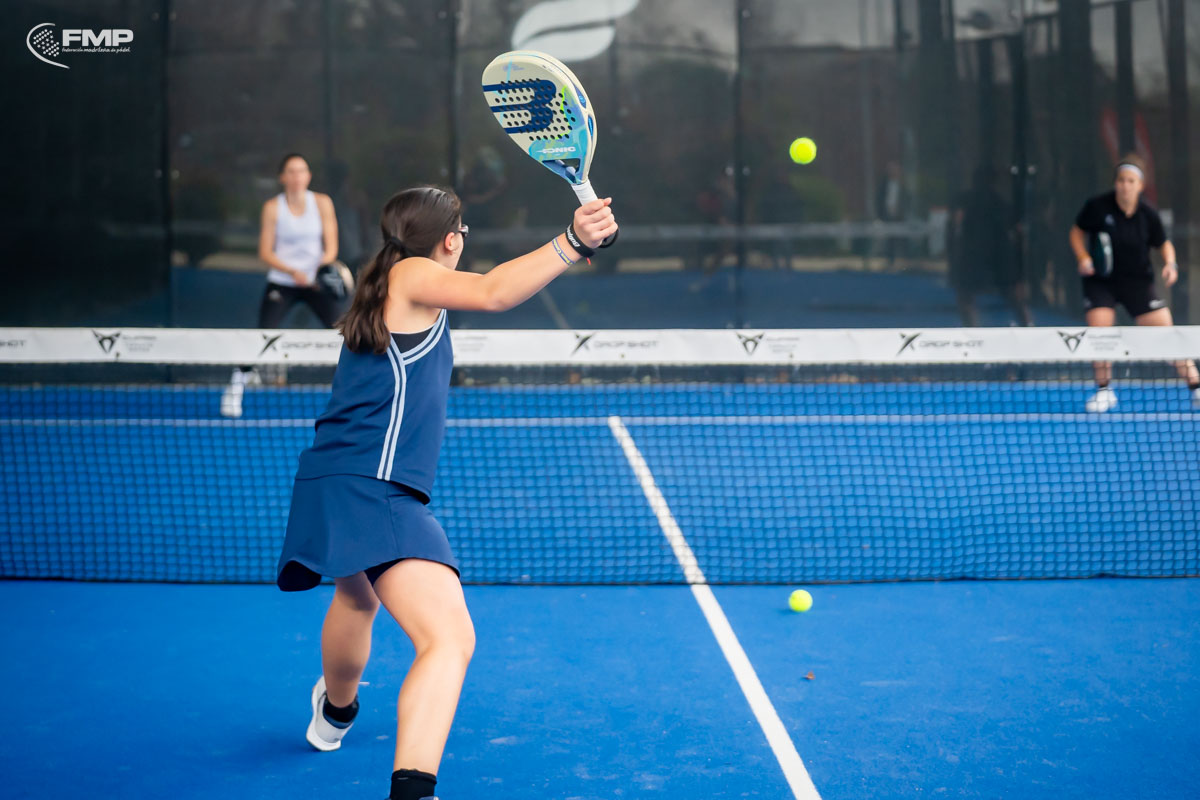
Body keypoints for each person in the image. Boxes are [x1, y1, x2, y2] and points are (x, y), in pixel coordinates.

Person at [275, 186, 618, 800]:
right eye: (462, 230)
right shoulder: (411, 275)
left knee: (356, 597)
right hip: (374, 488)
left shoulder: (387, 286)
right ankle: (413, 791)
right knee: (449, 638)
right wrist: (572, 241)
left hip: (329, 479)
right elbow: (494, 291)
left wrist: (582, 244)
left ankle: (336, 711)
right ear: (451, 239)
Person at [1069, 153, 1199, 412]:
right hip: (1101, 282)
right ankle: (1104, 391)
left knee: (1166, 332)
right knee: (1100, 332)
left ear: (1140, 185)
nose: (1125, 186)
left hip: (1138, 283)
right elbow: (1076, 232)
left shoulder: (1148, 215)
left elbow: (1164, 244)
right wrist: (1083, 257)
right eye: (1121, 180)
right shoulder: (1097, 207)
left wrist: (1171, 264)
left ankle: (1196, 386)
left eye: (1130, 181)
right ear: (1115, 182)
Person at [221, 153, 342, 417]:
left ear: (308, 176)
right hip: (283, 282)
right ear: (282, 177)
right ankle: (236, 388)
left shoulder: (322, 203)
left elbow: (331, 247)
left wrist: (315, 272)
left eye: (302, 170)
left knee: (346, 334)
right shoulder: (273, 207)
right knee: (262, 336)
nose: (297, 176)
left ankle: (360, 393)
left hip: (315, 283)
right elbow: (265, 252)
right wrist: (292, 272)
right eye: (291, 171)